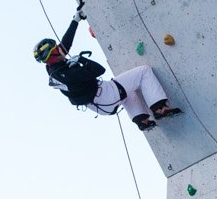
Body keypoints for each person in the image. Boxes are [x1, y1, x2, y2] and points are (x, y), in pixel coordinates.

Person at [34, 9, 181, 131]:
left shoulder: (53, 68)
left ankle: (142, 120)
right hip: (104, 96)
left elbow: (65, 44)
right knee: (144, 72)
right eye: (56, 49)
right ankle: (160, 109)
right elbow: (99, 70)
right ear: (53, 55)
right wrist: (81, 59)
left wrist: (76, 20)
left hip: (99, 104)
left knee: (126, 91)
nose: (60, 49)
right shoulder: (68, 74)